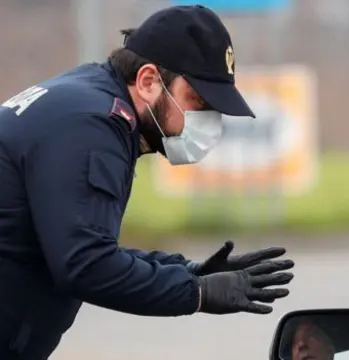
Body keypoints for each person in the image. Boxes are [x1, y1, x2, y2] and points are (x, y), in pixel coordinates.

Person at [0, 5, 295, 359]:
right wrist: (197, 292)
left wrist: (184, 270)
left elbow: (75, 242)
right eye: (198, 102)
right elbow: (85, 265)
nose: (207, 121)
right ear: (148, 81)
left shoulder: (87, 99)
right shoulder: (93, 127)